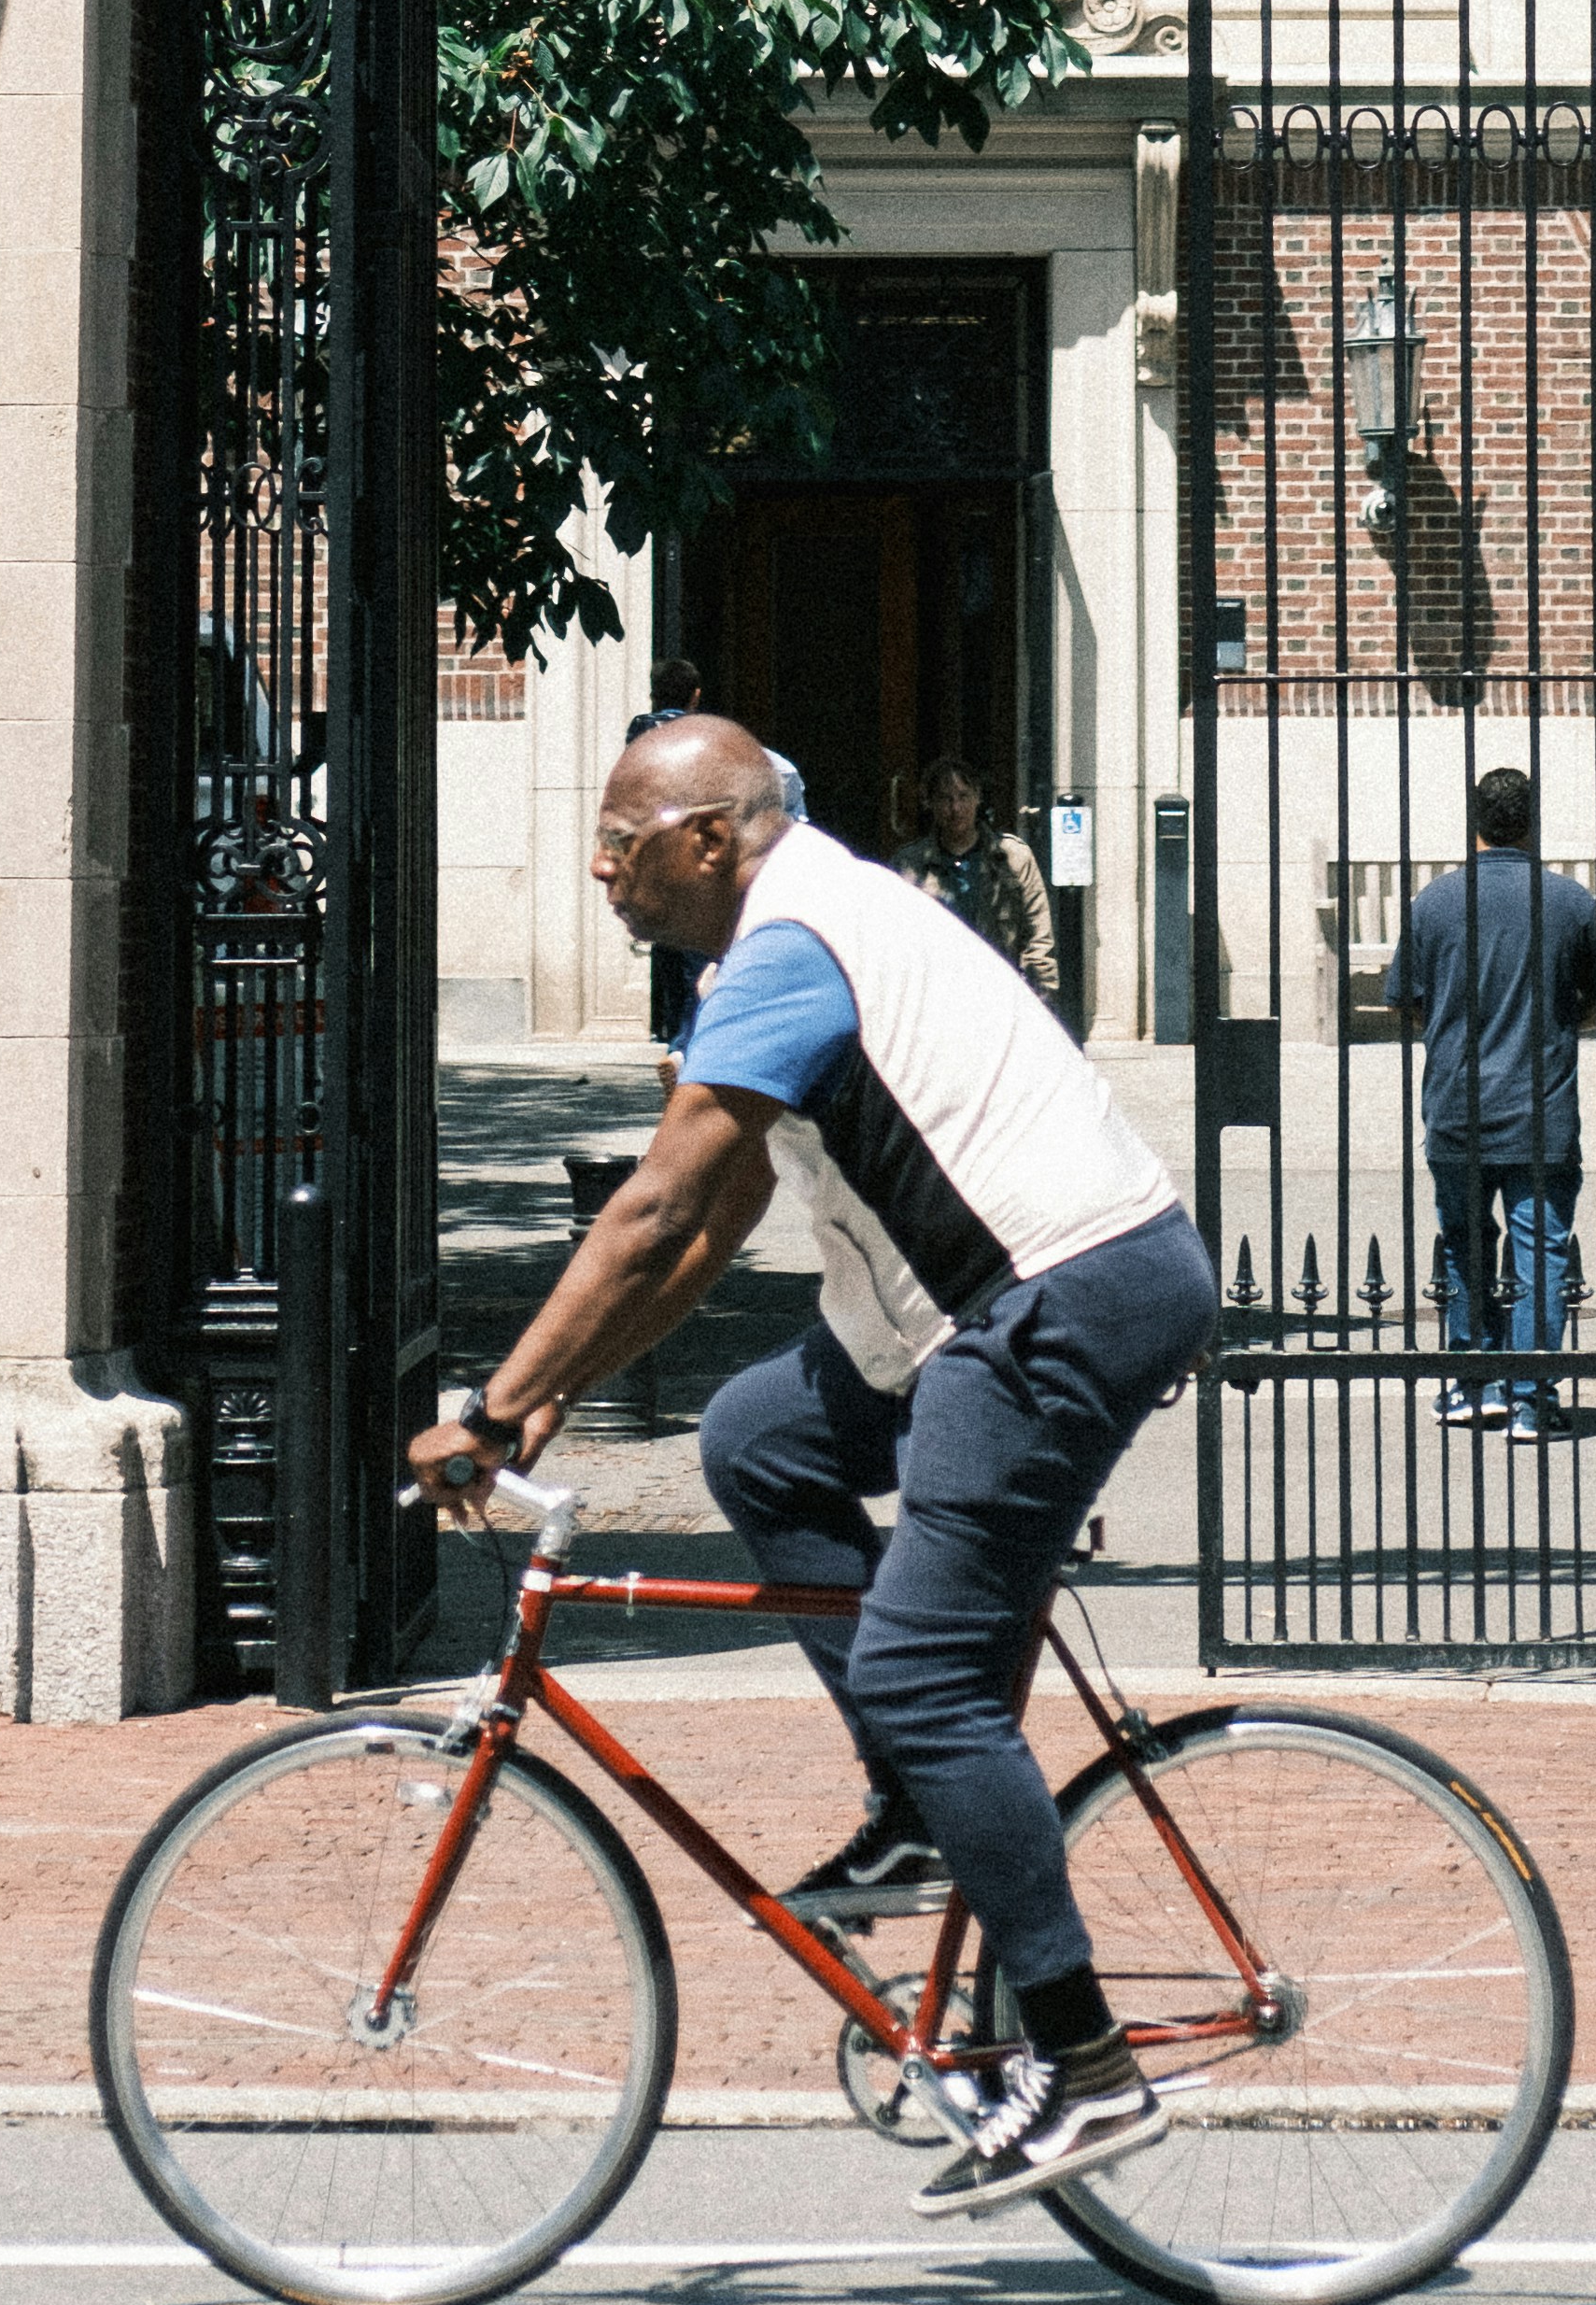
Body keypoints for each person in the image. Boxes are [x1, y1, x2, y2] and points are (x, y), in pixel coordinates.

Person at [412, 705, 1214, 2218]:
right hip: (977, 1309)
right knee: (754, 1435)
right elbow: (708, 1223)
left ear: (706, 836)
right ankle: (923, 1804)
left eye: (619, 835)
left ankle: (1083, 2056)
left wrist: (492, 1395)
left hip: (1057, 1295)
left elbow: (651, 1209)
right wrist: (544, 1398)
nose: (596, 863)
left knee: (920, 1667)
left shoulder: (796, 939)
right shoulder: (766, 949)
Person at [1390, 762, 1596, 1433]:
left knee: (1464, 1243)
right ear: (1530, 822)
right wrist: (1565, 1020)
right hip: (1540, 1106)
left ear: (1474, 821)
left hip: (1455, 1105)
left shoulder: (1433, 901)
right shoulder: (1567, 900)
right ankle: (1531, 1396)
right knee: (1540, 1250)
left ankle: (1472, 1383)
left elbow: (1406, 999)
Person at [897, 755, 1059, 1013]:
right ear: (930, 803)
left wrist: (1039, 1000)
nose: (955, 808)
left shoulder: (1013, 858)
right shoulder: (909, 864)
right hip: (937, 1004)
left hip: (1000, 999)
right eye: (945, 798)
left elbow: (1038, 934)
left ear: (977, 797)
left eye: (963, 796)